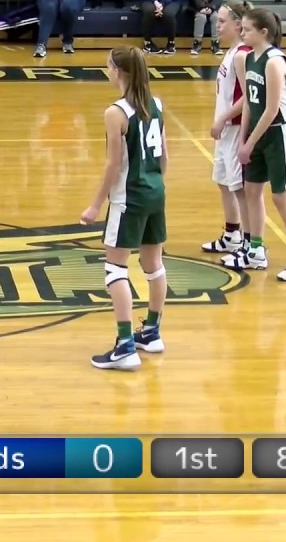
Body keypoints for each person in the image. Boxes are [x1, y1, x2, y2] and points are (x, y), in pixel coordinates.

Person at [78, 47, 168, 371]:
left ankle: (126, 345)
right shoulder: (156, 104)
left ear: (118, 71)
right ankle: (152, 333)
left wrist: (95, 204)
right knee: (153, 264)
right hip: (156, 191)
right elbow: (164, 158)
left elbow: (113, 165)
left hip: (128, 197)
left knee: (115, 269)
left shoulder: (115, 112)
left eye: (108, 66)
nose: (106, 69)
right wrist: (155, 186)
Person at [226, 9, 286, 283]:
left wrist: (250, 142)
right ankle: (255, 251)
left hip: (280, 132)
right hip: (257, 132)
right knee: (251, 191)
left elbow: (272, 108)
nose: (243, 33)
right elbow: (251, 104)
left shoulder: (274, 61)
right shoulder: (246, 58)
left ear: (264, 32)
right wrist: (243, 140)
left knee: (280, 197)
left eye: (248, 30)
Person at [201, 0, 254, 259]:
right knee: (223, 182)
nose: (217, 26)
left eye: (222, 21)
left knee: (238, 187)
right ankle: (232, 234)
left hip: (234, 129)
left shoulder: (243, 54)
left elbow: (249, 97)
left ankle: (249, 242)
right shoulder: (231, 51)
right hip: (225, 131)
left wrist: (222, 119)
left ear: (237, 24)